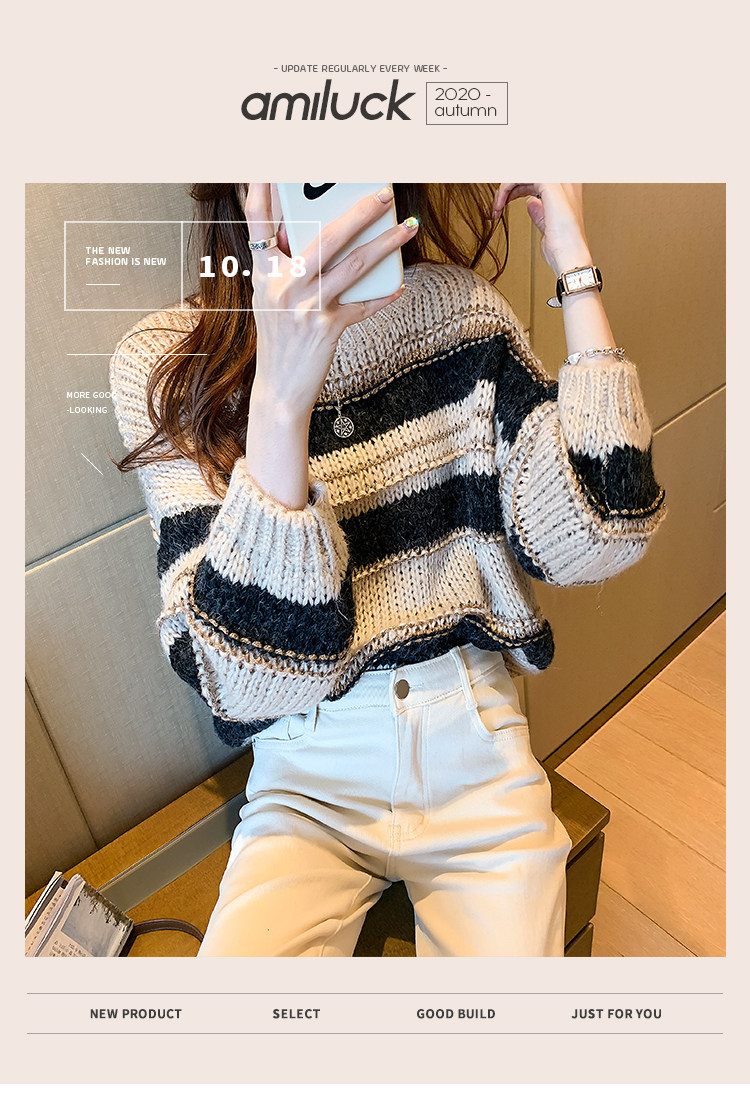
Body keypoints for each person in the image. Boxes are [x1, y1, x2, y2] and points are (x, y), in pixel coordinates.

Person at [110, 182, 667, 957]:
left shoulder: (459, 311)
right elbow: (240, 682)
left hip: (474, 748)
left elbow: (601, 530)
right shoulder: (167, 366)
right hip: (305, 777)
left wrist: (575, 264)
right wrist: (280, 401)